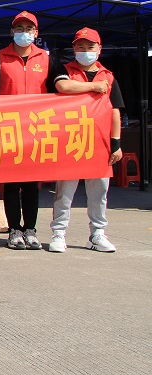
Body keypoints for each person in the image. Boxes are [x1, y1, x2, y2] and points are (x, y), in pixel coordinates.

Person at [0, 11, 59, 251]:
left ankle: (31, 229)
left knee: (31, 184)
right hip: (8, 129)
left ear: (36, 33)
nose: (24, 33)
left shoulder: (46, 58)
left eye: (29, 29)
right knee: (11, 184)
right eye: (19, 28)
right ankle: (14, 230)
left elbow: (60, 86)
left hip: (36, 130)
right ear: (12, 32)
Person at [49, 27, 123, 253]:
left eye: (90, 47)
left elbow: (115, 110)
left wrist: (116, 143)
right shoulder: (65, 69)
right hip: (70, 140)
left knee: (99, 191)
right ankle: (58, 233)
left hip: (99, 142)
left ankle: (97, 234)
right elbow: (63, 86)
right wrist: (94, 87)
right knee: (64, 191)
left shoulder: (108, 76)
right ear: (74, 49)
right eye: (80, 47)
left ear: (99, 49)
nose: (85, 51)